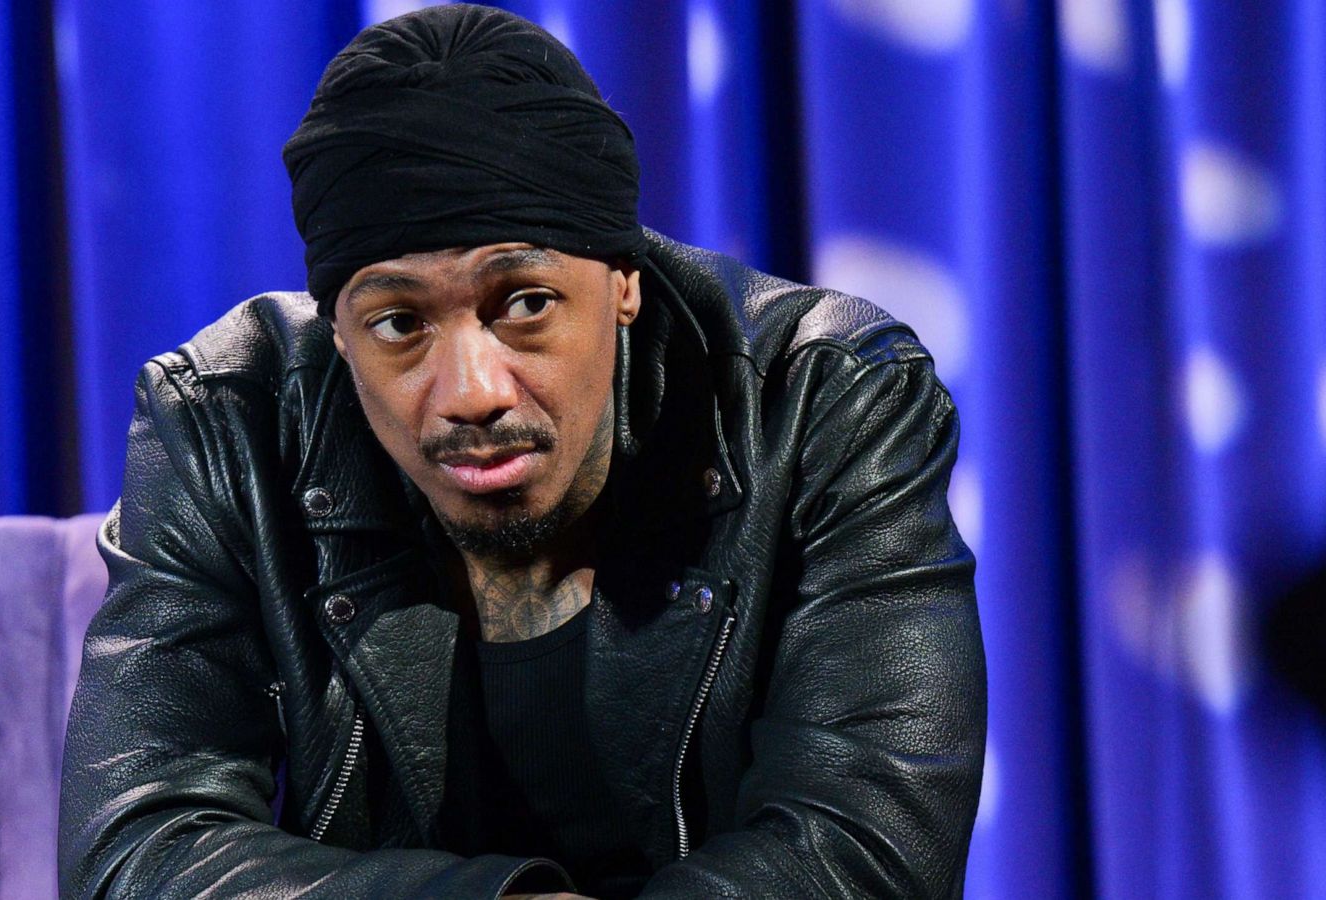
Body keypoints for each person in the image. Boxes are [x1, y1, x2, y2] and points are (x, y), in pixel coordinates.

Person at [59, 5, 986, 898]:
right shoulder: (230, 416)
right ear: (338, 335)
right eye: (398, 324)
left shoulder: (822, 397)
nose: (471, 392)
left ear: (624, 283)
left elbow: (867, 853)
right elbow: (136, 854)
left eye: (526, 304)